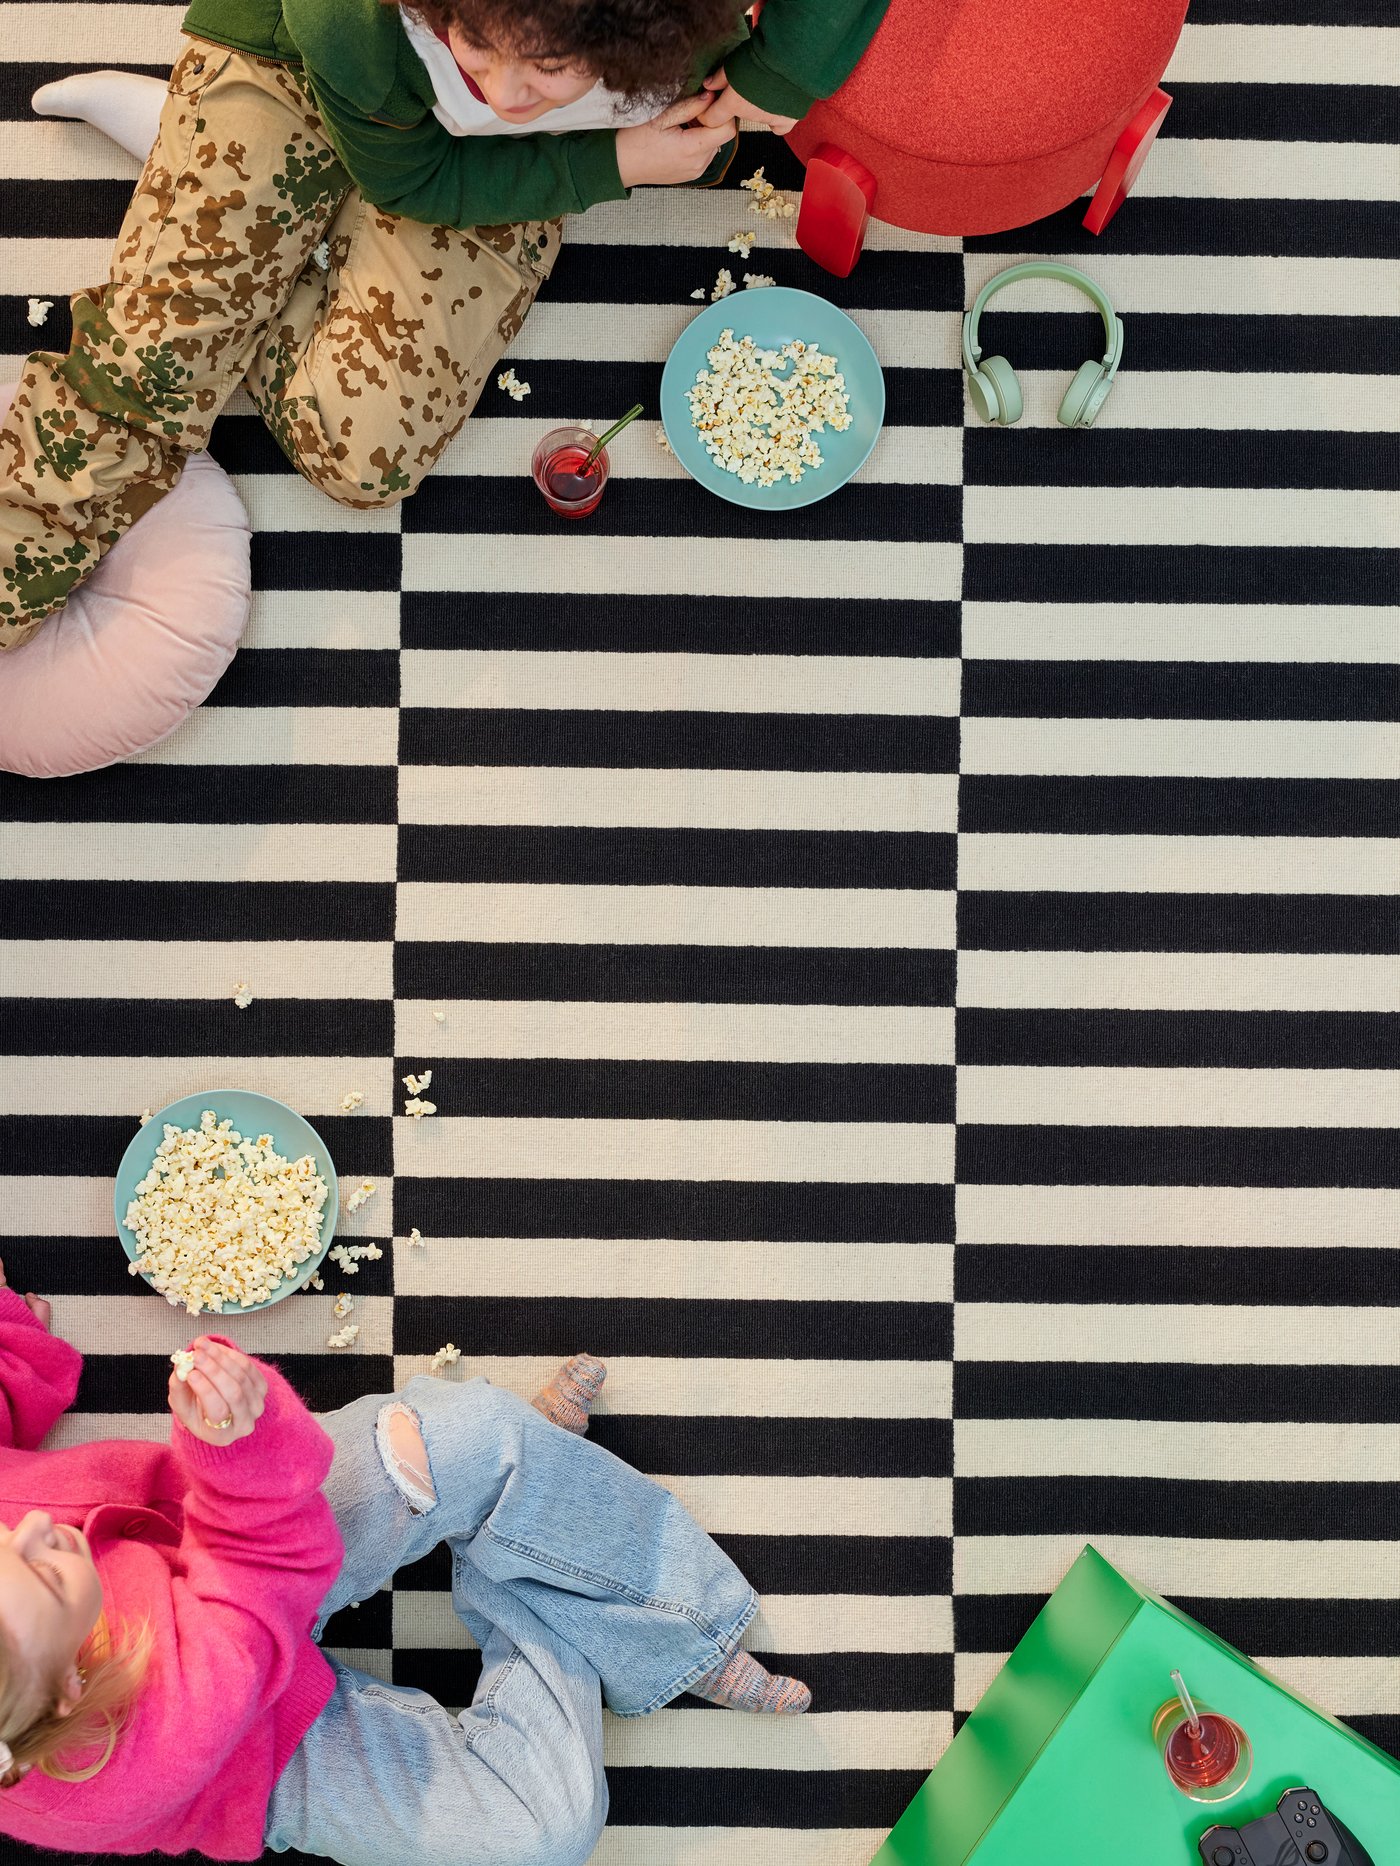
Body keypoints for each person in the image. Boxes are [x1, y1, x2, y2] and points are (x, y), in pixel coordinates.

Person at [0, 0, 894, 651]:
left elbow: (447, 170)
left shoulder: (620, 68)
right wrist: (607, 152)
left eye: (545, 69)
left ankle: (248, 221)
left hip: (504, 163)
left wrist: (769, 78)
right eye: (473, 45)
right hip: (304, 76)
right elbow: (409, 180)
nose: (505, 95)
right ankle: (218, 170)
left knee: (364, 463)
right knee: (148, 382)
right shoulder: (349, 21)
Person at [0, 1263, 810, 1863]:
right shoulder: (133, 1761)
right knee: (542, 1827)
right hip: (254, 1730)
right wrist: (234, 1444)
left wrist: (11, 1342)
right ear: (70, 1685)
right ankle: (548, 1552)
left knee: (466, 1433)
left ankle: (674, 1627)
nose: (36, 1530)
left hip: (197, 1531)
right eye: (45, 1576)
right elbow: (264, 1564)